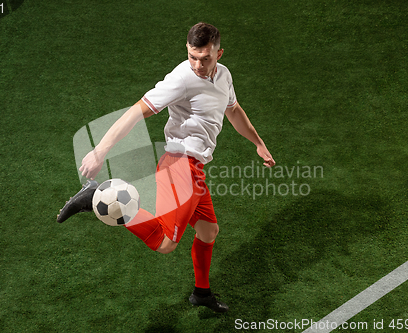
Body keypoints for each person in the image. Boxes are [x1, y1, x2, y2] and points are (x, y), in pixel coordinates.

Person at [57, 22, 275, 313]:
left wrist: (258, 142)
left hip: (196, 168)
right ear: (187, 50)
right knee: (165, 244)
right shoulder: (181, 79)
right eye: (192, 56)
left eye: (205, 58)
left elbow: (233, 109)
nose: (198, 64)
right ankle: (98, 197)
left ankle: (201, 293)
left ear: (219, 54)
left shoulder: (223, 76)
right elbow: (136, 112)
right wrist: (99, 151)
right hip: (180, 165)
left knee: (208, 230)